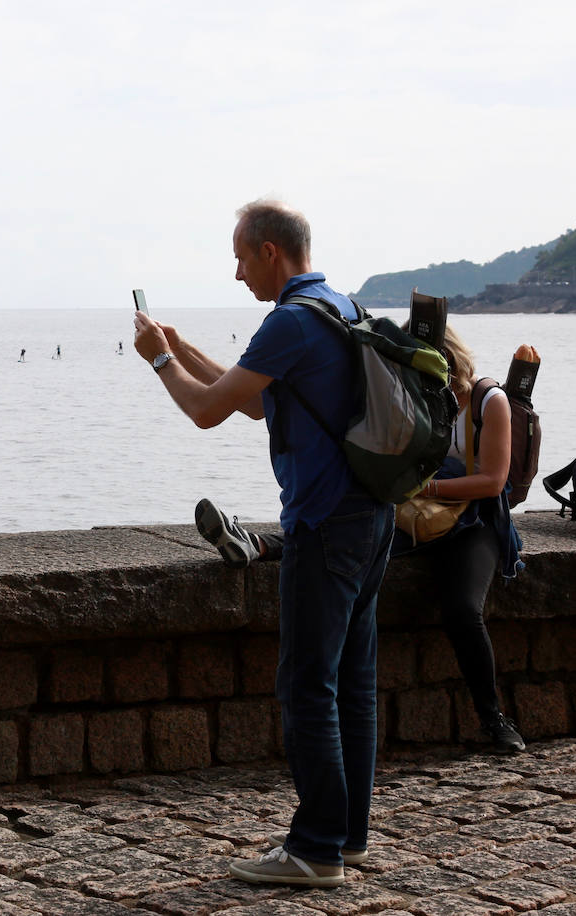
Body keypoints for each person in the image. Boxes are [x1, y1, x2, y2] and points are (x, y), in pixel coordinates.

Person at [134, 200, 391, 888]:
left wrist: (160, 360)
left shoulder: (289, 320)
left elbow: (206, 411)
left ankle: (316, 849)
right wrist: (185, 347)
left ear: (270, 252)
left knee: (307, 687)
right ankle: (348, 836)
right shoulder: (342, 307)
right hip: (373, 516)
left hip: (323, 523)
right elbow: (255, 399)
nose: (238, 273)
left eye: (241, 258)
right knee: (353, 686)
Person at [195, 325, 528, 755]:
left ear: (450, 361)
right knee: (347, 539)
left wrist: (422, 487)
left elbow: (492, 481)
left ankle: (493, 717)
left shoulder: (488, 400)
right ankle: (255, 544)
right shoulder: (411, 398)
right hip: (417, 516)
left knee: (463, 610)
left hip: (472, 523)